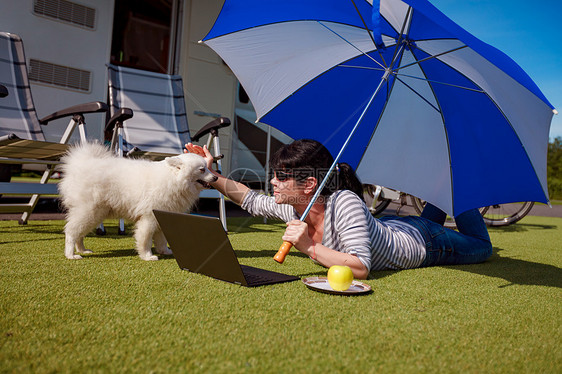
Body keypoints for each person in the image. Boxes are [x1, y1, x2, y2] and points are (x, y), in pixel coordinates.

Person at [185, 139, 492, 280]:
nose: (273, 183)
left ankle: (457, 179)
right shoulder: (296, 207)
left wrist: (306, 245)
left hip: (425, 244)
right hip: (390, 226)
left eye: (280, 177)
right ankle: (446, 188)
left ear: (308, 185)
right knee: (432, 213)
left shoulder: (344, 201)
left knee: (482, 248)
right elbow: (251, 200)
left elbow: (360, 268)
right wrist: (210, 174)